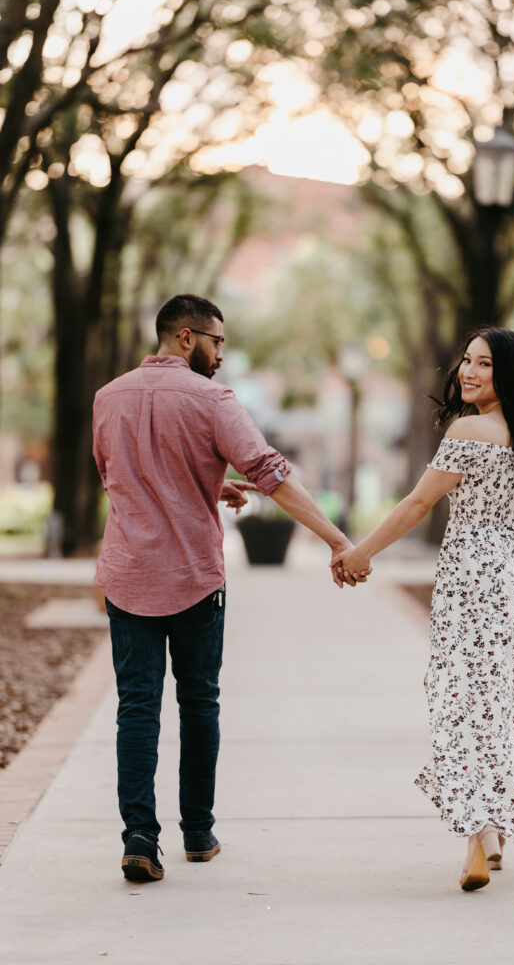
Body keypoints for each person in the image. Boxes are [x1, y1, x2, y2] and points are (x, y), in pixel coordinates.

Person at [93, 293, 362, 883]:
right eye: (217, 342)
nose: (220, 355)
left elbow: (123, 480)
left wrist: (206, 487)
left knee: (136, 706)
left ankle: (140, 836)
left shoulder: (107, 398)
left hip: (128, 574)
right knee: (199, 701)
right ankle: (197, 832)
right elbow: (274, 476)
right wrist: (338, 541)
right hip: (192, 577)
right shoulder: (214, 400)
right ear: (186, 338)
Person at [333, 327, 514, 892]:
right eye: (466, 361)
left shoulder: (468, 430)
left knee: (466, 700)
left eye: (483, 364)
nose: (467, 372)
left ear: (505, 371)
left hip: (473, 578)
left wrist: (359, 552)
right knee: (507, 700)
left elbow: (418, 503)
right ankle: (495, 831)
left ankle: (476, 842)